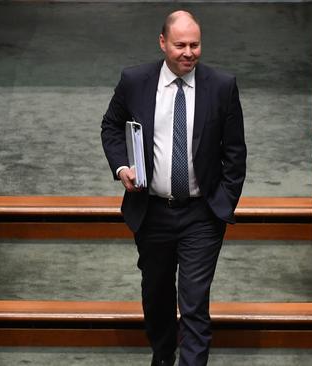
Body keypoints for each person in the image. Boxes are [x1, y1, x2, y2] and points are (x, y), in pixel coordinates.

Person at [101, 10, 246, 366]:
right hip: (151, 211)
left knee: (194, 302)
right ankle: (163, 357)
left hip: (201, 214)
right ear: (162, 42)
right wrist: (122, 167)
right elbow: (110, 125)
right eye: (180, 44)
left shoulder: (222, 86)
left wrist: (223, 202)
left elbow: (235, 152)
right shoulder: (135, 81)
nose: (188, 52)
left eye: (195, 44)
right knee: (157, 297)